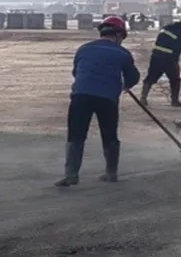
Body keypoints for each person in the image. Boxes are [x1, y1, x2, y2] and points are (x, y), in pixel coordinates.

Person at [55, 16, 140, 187]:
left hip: (81, 96)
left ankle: (71, 175)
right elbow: (133, 77)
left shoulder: (84, 49)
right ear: (118, 35)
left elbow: (76, 72)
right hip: (107, 98)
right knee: (109, 135)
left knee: (76, 135)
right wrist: (125, 85)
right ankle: (111, 173)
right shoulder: (122, 53)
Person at [140, 15, 181, 107]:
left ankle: (143, 98)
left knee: (151, 77)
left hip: (156, 57)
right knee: (175, 80)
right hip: (170, 60)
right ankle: (174, 101)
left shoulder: (167, 28)